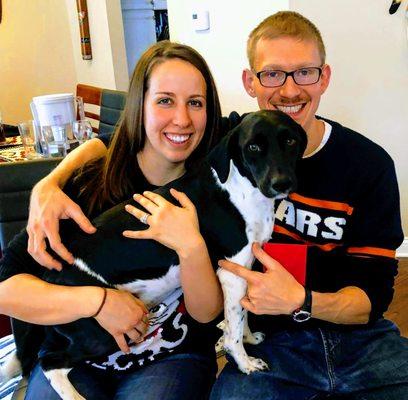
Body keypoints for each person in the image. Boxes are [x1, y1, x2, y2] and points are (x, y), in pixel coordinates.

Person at [23, 11, 408, 400]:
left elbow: (373, 296)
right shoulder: (231, 138)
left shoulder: (368, 165)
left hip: (361, 341)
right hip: (275, 343)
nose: (290, 90)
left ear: (324, 76)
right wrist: (49, 183)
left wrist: (302, 301)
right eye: (273, 73)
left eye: (304, 72)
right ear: (250, 81)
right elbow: (124, 138)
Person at [0, 40, 224, 399]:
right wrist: (99, 303)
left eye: (195, 103)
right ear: (140, 105)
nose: (182, 118)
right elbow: (7, 289)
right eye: (165, 100)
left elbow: (207, 314)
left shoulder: (215, 188)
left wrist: (192, 245)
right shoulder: (89, 186)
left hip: (171, 356)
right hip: (76, 358)